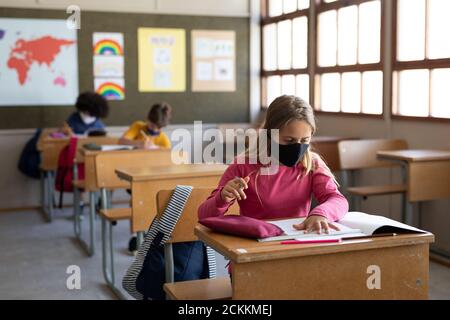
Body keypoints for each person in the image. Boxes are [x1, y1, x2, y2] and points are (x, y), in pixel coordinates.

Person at [198, 95, 348, 235]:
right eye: (289, 140)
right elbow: (204, 216)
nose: (297, 147)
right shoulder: (244, 165)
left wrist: (320, 214)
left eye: (304, 141)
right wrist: (222, 197)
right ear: (269, 135)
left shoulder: (311, 164)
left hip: (296, 243)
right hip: (254, 248)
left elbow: (337, 200)